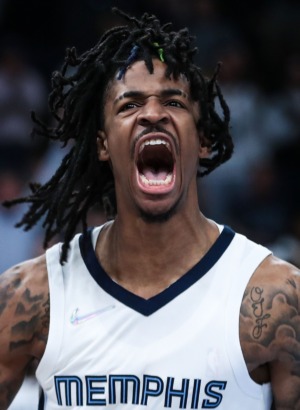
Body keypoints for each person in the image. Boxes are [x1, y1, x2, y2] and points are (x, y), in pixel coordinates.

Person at [0, 8, 299, 410]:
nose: (153, 113)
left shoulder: (273, 297)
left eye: (174, 102)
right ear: (103, 145)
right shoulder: (33, 296)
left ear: (204, 139)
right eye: (129, 105)